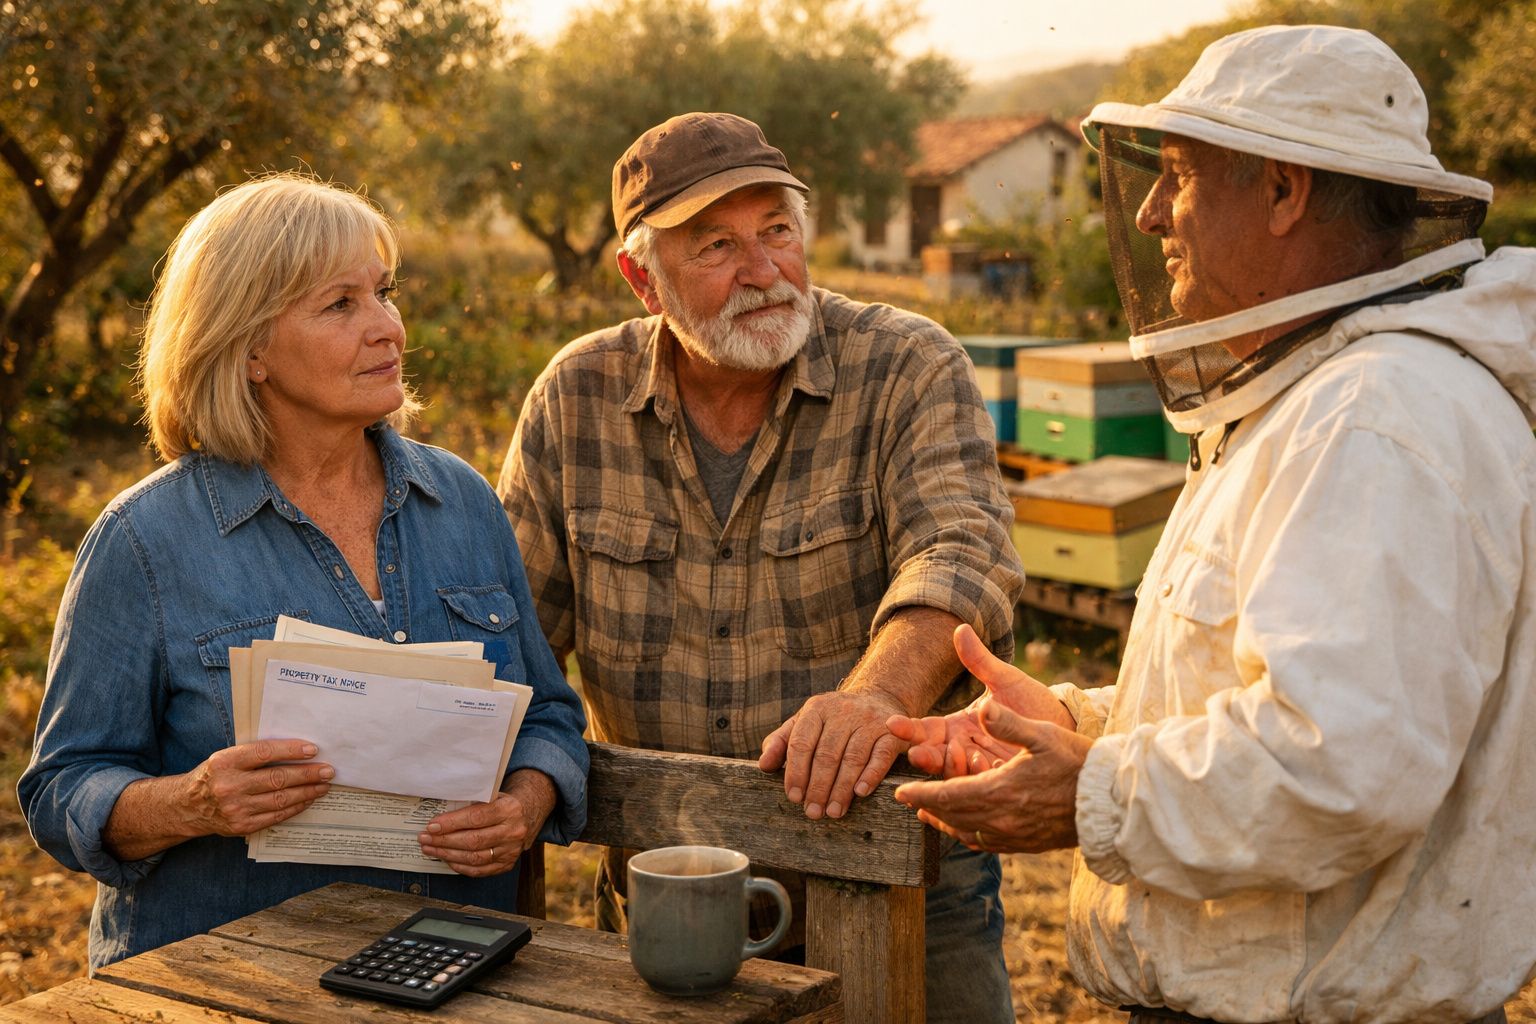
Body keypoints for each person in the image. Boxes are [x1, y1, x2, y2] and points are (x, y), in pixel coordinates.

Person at [889, 24, 1536, 1024]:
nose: (1149, 212)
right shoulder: (1320, 401)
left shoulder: (1376, 418)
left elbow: (1341, 764)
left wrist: (1090, 792)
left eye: (1182, 176)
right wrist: (1077, 729)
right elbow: (1274, 689)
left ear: (1284, 193)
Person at [497, 111, 1024, 1021]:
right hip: (668, 890)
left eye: (777, 230)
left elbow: (961, 551)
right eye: (715, 246)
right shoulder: (575, 397)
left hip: (903, 881)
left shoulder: (904, 364)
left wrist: (875, 696)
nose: (763, 269)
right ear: (642, 278)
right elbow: (507, 639)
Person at [18, 173, 589, 969]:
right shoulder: (144, 540)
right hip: (226, 989)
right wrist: (194, 802)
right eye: (340, 304)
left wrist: (525, 805)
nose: (388, 327)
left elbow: (551, 718)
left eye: (384, 293)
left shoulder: (461, 501)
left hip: (447, 973)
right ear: (248, 348)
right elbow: (61, 791)